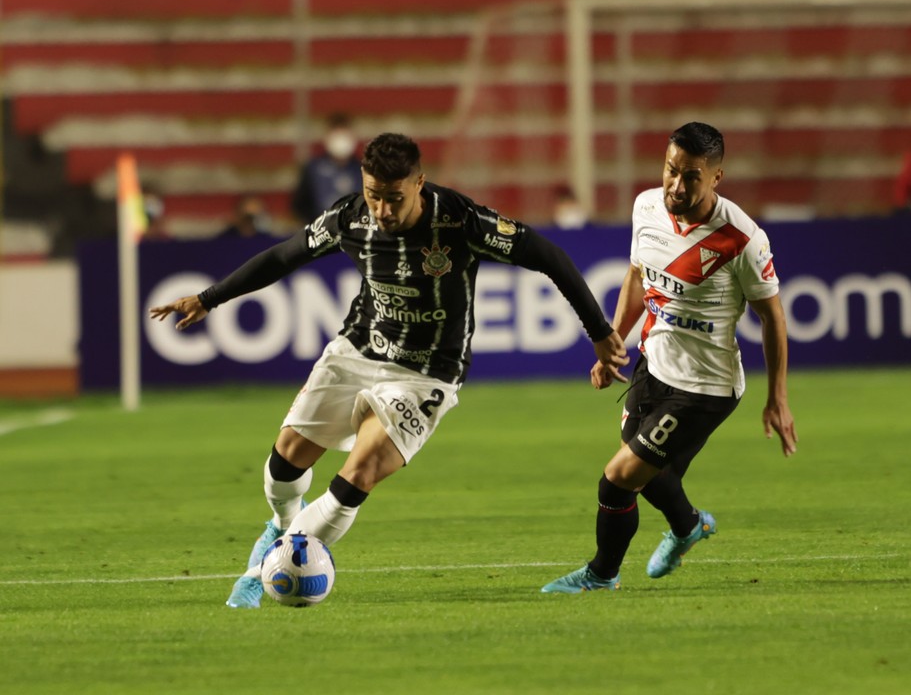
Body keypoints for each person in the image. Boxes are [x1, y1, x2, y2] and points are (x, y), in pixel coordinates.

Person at [149, 132, 629, 608]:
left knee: (359, 472)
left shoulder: (462, 221)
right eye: (374, 196)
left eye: (394, 198)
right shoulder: (349, 217)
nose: (382, 210)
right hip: (357, 350)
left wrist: (600, 331)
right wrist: (209, 298)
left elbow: (551, 257)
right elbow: (283, 256)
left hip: (425, 374)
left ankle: (262, 571)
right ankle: (281, 525)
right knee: (283, 465)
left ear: (420, 183)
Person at [541, 122, 797, 594]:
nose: (676, 185)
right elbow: (639, 277)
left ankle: (602, 574)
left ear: (716, 177)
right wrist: (613, 340)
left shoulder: (742, 238)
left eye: (691, 176)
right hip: (653, 364)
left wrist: (777, 397)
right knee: (649, 473)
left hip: (704, 386)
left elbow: (773, 318)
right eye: (670, 170)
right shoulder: (646, 207)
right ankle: (689, 526)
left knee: (618, 479)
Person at [291, 112, 363, 224]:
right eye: (336, 133)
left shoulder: (362, 169)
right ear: (327, 136)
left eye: (344, 133)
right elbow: (300, 204)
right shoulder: (312, 169)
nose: (340, 139)